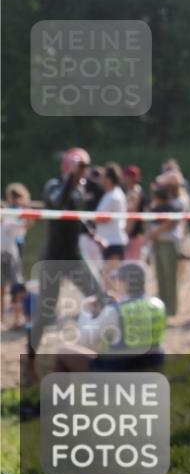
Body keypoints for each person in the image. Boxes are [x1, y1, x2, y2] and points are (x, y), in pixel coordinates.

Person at [30, 148, 110, 361]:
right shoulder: (54, 186)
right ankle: (29, 359)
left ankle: (98, 352)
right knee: (45, 315)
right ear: (68, 167)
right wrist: (70, 179)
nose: (83, 173)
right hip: (53, 258)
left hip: (74, 257)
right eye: (79, 168)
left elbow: (77, 218)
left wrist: (93, 235)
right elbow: (59, 204)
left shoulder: (79, 189)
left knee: (101, 299)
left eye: (84, 168)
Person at [51, 261, 166, 374]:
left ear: (124, 283)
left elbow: (84, 341)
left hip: (120, 371)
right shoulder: (158, 305)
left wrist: (86, 311)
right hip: (152, 366)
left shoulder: (115, 311)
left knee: (62, 351)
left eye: (117, 280)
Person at [146, 186, 181, 317]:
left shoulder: (172, 208)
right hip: (158, 244)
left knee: (170, 278)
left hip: (168, 244)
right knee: (161, 277)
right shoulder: (155, 210)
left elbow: (170, 224)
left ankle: (172, 308)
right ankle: (163, 307)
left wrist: (155, 232)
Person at [94, 163, 129, 285]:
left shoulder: (115, 196)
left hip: (114, 242)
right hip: (108, 241)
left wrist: (88, 219)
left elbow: (102, 218)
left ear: (109, 179)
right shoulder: (109, 194)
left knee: (111, 280)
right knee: (106, 279)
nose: (100, 179)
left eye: (103, 176)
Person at [2, 183, 30, 328]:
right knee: (7, 285)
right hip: (9, 249)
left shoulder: (15, 211)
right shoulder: (12, 211)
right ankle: (10, 318)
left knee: (15, 286)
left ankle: (20, 318)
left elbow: (25, 225)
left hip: (14, 249)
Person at [122, 165, 147, 260]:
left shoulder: (134, 193)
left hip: (133, 235)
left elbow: (131, 217)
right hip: (136, 234)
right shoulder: (134, 191)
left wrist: (126, 235)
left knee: (132, 265)